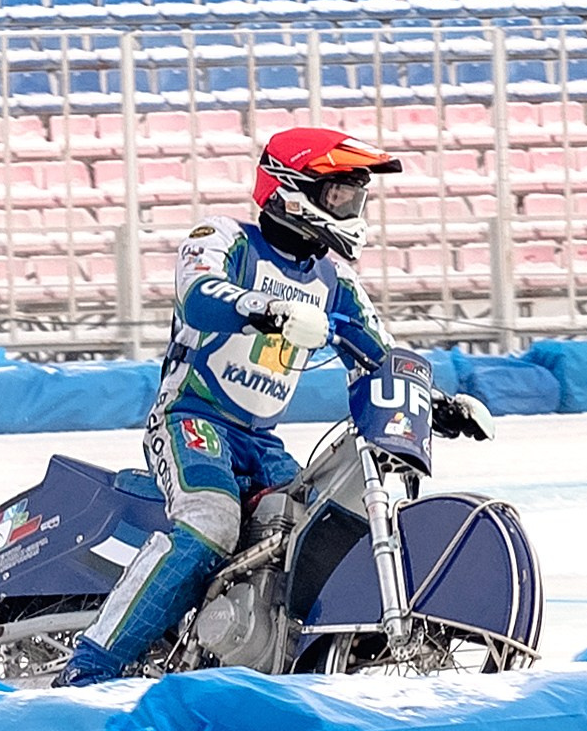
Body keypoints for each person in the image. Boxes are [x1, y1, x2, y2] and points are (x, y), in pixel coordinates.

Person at [57, 126, 495, 686]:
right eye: (339, 193)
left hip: (261, 441)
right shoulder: (223, 237)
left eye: (356, 196)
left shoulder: (336, 281)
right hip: (192, 418)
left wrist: (436, 403)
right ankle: (88, 667)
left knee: (318, 525)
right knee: (210, 522)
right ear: (293, 187)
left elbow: (376, 355)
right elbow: (198, 297)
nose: (350, 207)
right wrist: (270, 310)